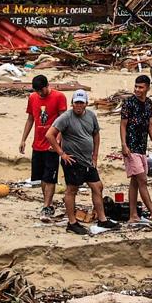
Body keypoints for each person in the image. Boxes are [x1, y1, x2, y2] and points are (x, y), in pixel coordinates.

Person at [49, 90, 114, 233]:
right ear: (72, 103)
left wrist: (95, 156)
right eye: (76, 102)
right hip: (73, 160)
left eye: (81, 102)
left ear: (86, 103)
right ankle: (72, 223)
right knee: (72, 190)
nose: (78, 105)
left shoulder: (91, 115)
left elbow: (96, 134)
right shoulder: (66, 117)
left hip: (87, 160)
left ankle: (102, 219)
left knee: (97, 186)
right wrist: (62, 153)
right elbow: (50, 135)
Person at [17, 74, 67, 219]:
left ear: (47, 86)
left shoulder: (59, 97)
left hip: (52, 143)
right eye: (37, 91)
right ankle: (47, 203)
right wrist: (23, 139)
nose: (40, 93)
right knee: (40, 178)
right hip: (37, 142)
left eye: (42, 90)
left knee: (50, 177)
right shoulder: (32, 98)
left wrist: (57, 140)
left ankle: (47, 205)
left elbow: (63, 121)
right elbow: (30, 119)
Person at [119, 74, 152, 223]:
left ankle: (133, 215)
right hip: (131, 148)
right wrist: (124, 145)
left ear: (147, 88)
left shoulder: (149, 103)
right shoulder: (129, 103)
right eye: (136, 87)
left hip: (142, 147)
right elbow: (123, 125)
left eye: (141, 87)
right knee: (142, 180)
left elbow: (150, 125)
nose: (137, 90)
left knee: (135, 182)